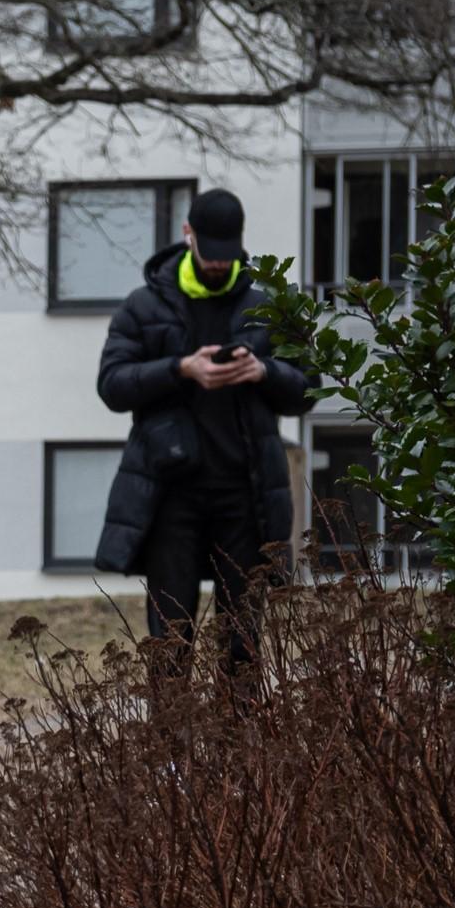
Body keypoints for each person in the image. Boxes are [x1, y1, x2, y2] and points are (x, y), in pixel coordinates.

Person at [93, 186, 310, 676]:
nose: (217, 264)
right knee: (170, 643)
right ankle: (173, 754)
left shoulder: (267, 307)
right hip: (171, 499)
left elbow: (308, 391)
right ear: (188, 235)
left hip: (246, 499)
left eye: (226, 255)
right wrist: (179, 369)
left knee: (243, 646)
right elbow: (111, 386)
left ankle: (238, 750)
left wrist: (265, 372)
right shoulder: (143, 307)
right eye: (210, 254)